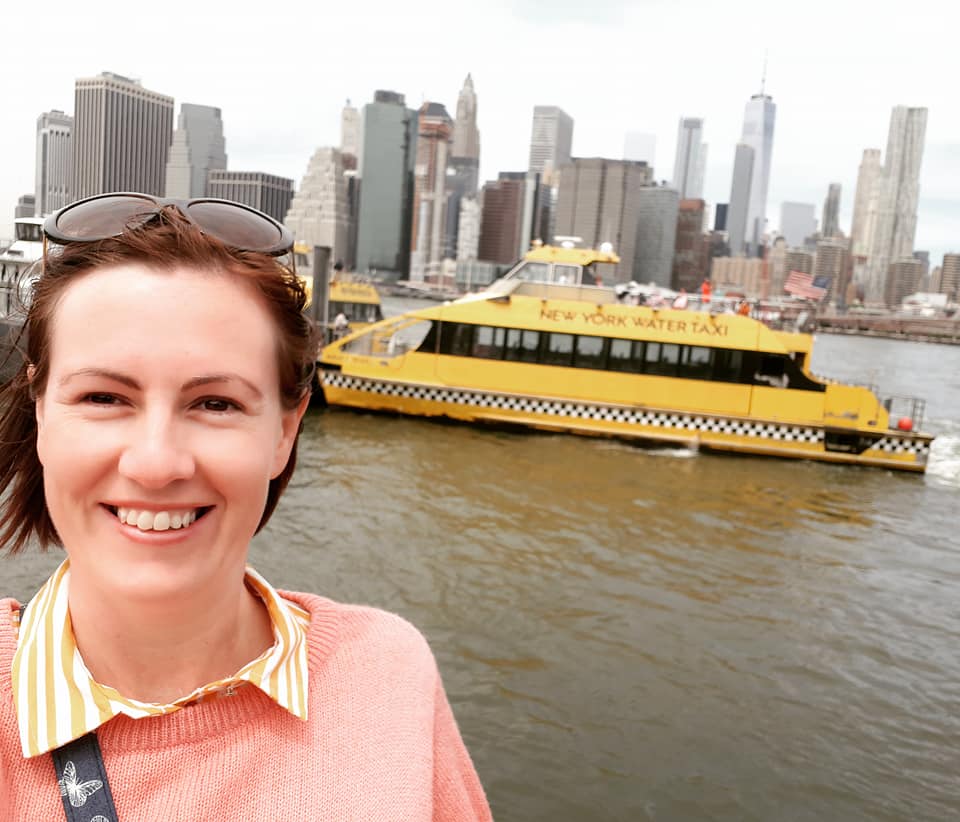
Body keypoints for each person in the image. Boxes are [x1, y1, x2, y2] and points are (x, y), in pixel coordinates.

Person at [0, 193, 492, 821]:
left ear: (285, 431)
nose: (156, 464)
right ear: (41, 412)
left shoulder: (386, 675)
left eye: (216, 404)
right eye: (103, 398)